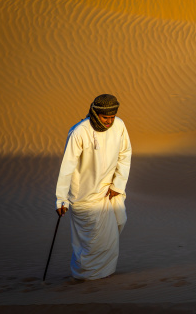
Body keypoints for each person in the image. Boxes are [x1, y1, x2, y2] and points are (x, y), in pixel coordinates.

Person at [55, 94, 132, 280]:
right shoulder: (79, 131)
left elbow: (125, 154)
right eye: (106, 117)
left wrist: (118, 184)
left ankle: (105, 273)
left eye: (112, 117)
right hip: (85, 196)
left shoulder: (119, 126)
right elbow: (67, 167)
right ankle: (87, 276)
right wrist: (61, 198)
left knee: (116, 229)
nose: (109, 121)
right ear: (96, 113)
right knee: (92, 241)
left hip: (110, 192)